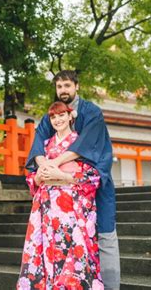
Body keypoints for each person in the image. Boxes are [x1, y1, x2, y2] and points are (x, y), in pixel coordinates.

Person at [26, 70, 120, 290]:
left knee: (104, 233)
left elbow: (85, 146)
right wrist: (45, 167)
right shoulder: (53, 115)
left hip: (91, 181)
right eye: (59, 87)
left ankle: (111, 286)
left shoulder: (92, 112)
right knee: (59, 240)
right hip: (58, 196)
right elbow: (38, 145)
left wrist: (56, 164)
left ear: (77, 86)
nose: (63, 90)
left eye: (67, 85)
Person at [17, 101, 103, 290]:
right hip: (47, 206)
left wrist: (63, 176)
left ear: (70, 116)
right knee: (47, 249)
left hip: (71, 204)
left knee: (72, 249)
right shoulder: (45, 146)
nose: (58, 120)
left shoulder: (80, 143)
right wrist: (38, 177)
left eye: (61, 115)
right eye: (53, 117)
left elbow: (93, 177)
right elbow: (32, 178)